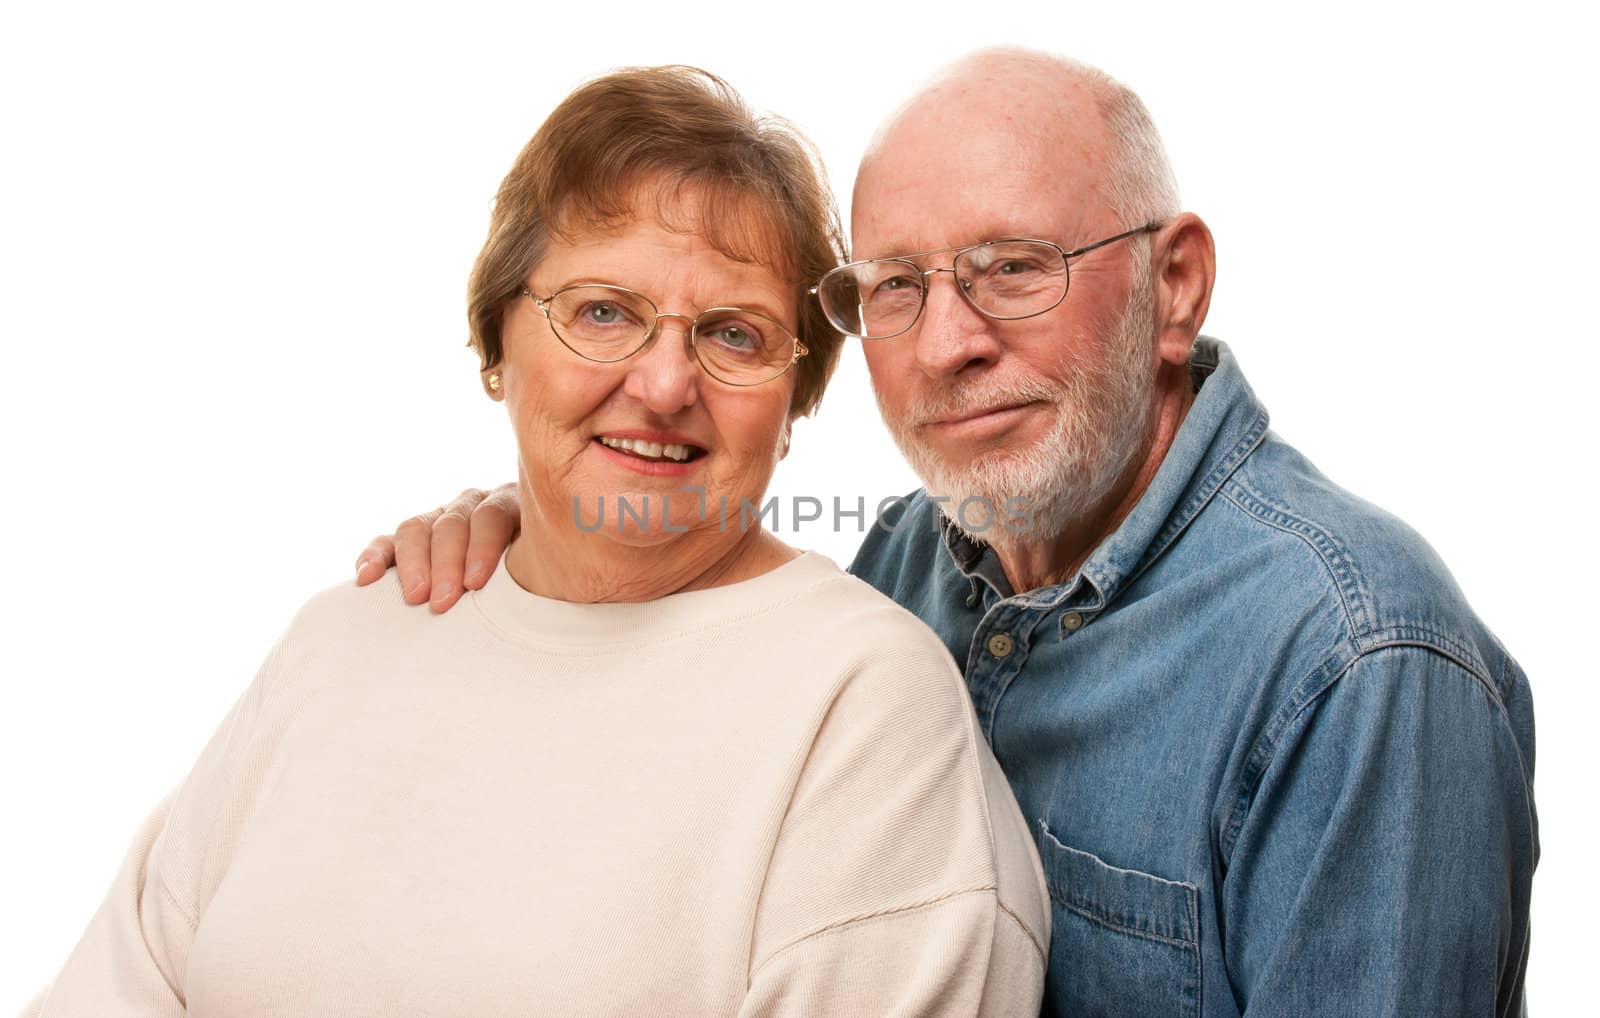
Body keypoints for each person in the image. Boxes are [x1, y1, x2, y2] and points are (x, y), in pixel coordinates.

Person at [374, 49, 1539, 1017]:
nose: (944, 346)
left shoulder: (1360, 666)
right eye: (893, 287)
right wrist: (529, 542)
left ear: (1173, 286)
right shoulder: (907, 559)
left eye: (1012, 270)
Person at [28, 66, 1049, 1017]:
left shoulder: (861, 706)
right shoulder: (344, 639)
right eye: (603, 312)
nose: (662, 385)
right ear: (496, 344)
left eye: (732, 334)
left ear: (793, 402)